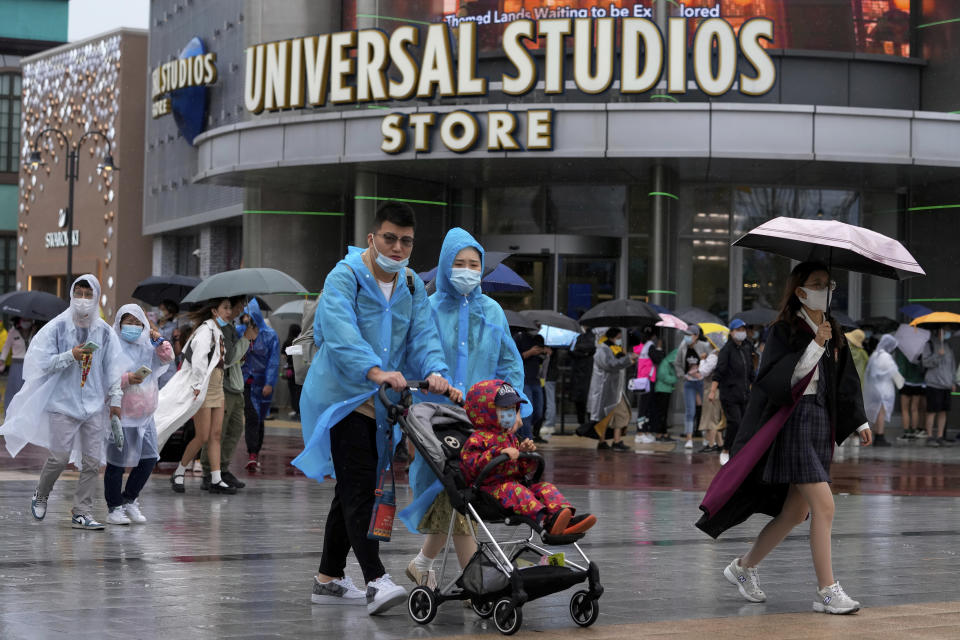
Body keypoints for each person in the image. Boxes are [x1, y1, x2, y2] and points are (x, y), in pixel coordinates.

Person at [292, 202, 455, 615]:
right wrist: (375, 370)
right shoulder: (345, 276)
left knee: (351, 487)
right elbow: (340, 331)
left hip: (382, 405)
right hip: (342, 398)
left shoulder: (413, 284)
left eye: (406, 241)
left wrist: (435, 370)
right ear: (372, 238)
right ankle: (376, 579)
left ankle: (328, 579)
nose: (397, 248)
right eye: (389, 238)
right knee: (361, 486)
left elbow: (423, 335)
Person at [696, 261, 872, 616]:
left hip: (820, 421)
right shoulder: (784, 331)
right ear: (800, 291)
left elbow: (844, 380)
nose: (826, 289)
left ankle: (743, 568)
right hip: (794, 422)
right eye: (817, 283)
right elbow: (777, 381)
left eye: (829, 283)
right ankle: (826, 592)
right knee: (824, 506)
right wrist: (814, 346)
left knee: (796, 511)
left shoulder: (831, 328)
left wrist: (859, 419)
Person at [400, 228, 530, 590]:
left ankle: (432, 566)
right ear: (445, 265)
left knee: (460, 494)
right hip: (434, 420)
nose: (467, 270)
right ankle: (477, 584)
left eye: (474, 264)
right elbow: (415, 356)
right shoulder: (426, 308)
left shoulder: (492, 311)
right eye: (459, 263)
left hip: (480, 423)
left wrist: (510, 410)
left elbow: (509, 366)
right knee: (453, 492)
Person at [0, 275, 127, 530]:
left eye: (87, 294)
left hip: (92, 405)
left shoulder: (103, 331)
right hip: (62, 403)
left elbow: (113, 368)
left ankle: (82, 511)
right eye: (78, 293)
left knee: (92, 462)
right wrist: (70, 355)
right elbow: (39, 363)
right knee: (59, 458)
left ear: (96, 297)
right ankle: (41, 493)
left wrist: (115, 400)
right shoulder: (57, 327)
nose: (82, 299)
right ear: (71, 295)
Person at [461, 379, 597, 535]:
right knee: (517, 490)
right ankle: (545, 521)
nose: (511, 413)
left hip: (514, 485)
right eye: (505, 408)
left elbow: (521, 470)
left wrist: (525, 456)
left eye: (513, 408)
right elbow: (470, 467)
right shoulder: (476, 439)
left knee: (545, 487)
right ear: (486, 412)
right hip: (490, 491)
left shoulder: (510, 437)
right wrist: (498, 452)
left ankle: (563, 518)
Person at [103, 305, 175, 525]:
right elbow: (104, 377)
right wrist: (126, 379)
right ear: (119, 322)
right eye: (128, 321)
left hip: (145, 415)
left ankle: (129, 499)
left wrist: (160, 341)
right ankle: (114, 507)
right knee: (116, 462)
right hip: (120, 413)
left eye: (137, 322)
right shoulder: (112, 346)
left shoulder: (147, 345)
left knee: (149, 458)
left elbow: (167, 358)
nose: (133, 327)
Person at [156, 298, 233, 494]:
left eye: (230, 308)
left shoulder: (217, 331)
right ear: (214, 311)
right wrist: (199, 384)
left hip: (217, 384)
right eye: (226, 308)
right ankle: (180, 471)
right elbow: (198, 361)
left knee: (216, 434)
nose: (229, 312)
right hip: (204, 386)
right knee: (203, 435)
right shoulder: (205, 331)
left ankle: (216, 478)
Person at [199, 296, 257, 490]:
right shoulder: (220, 328)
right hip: (223, 387)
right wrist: (246, 339)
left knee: (234, 430)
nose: (240, 309)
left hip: (235, 386)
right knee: (218, 432)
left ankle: (222, 468)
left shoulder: (231, 327)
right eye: (235, 306)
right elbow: (229, 357)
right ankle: (210, 472)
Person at [242, 298, 279, 471]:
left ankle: (255, 452)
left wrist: (270, 382)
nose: (245, 319)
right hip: (244, 383)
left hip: (263, 384)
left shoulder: (270, 335)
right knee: (252, 417)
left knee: (259, 419)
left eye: (248, 315)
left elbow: (273, 361)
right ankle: (252, 454)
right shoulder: (240, 332)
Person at [712, 318, 755, 465]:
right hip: (729, 394)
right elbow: (719, 372)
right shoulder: (726, 350)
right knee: (735, 423)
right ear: (731, 333)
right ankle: (725, 450)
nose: (741, 333)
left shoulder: (747, 347)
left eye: (743, 330)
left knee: (744, 425)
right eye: (738, 330)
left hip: (744, 394)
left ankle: (737, 453)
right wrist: (712, 391)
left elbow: (750, 371)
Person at [587, 327, 638, 451]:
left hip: (615, 390)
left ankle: (615, 440)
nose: (620, 341)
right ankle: (605, 441)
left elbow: (617, 363)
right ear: (612, 337)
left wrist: (626, 357)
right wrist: (627, 359)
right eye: (619, 338)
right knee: (605, 416)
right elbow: (611, 365)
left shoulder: (613, 349)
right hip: (605, 390)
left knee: (620, 414)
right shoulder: (603, 350)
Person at [863, 334, 904, 448]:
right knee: (881, 413)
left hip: (874, 389)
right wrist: (900, 382)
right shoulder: (886, 357)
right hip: (884, 390)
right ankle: (880, 436)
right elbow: (894, 373)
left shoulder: (875, 355)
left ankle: (877, 435)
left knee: (877, 413)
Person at [921, 326, 956, 447]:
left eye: (948, 331)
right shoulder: (929, 344)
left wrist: (953, 382)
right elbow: (925, 362)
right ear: (938, 331)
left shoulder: (948, 345)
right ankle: (930, 436)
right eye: (945, 331)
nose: (947, 333)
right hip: (934, 383)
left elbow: (952, 365)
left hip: (946, 384)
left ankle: (940, 436)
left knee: (943, 412)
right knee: (931, 411)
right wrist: (938, 356)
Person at [514, 329, 548, 441]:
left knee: (539, 411)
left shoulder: (539, 338)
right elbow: (514, 358)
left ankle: (520, 431)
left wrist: (545, 353)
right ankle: (527, 438)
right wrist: (530, 353)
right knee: (527, 411)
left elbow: (542, 361)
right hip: (523, 380)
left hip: (537, 380)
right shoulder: (519, 338)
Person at [675, 326, 704, 450]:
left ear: (696, 336)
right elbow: (677, 364)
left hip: (702, 382)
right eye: (686, 334)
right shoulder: (683, 347)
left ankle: (708, 438)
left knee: (706, 409)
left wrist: (702, 369)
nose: (687, 337)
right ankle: (689, 439)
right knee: (690, 411)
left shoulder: (704, 346)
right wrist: (684, 375)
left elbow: (713, 361)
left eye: (690, 334)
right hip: (689, 383)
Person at [0, 316, 37, 411]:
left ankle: (27, 412)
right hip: (17, 365)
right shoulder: (13, 332)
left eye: (28, 319)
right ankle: (11, 413)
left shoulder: (34, 331)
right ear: (19, 320)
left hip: (31, 365)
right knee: (15, 391)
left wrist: (33, 332)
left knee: (29, 391)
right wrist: (2, 360)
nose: (26, 322)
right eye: (24, 320)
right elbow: (6, 347)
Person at [697, 338, 724, 453]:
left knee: (711, 417)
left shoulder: (714, 356)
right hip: (717, 389)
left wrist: (702, 360)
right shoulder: (720, 354)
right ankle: (720, 443)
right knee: (715, 417)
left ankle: (711, 444)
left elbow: (703, 372)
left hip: (711, 389)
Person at [894, 345, 925, 440]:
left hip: (906, 382)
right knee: (914, 408)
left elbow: (901, 367)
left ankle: (907, 431)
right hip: (919, 382)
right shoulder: (921, 349)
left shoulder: (904, 350)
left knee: (905, 409)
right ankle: (914, 430)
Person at [652, 341, 679, 442]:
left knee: (663, 413)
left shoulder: (669, 364)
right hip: (662, 391)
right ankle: (660, 434)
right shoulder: (665, 363)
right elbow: (663, 376)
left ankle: (663, 433)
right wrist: (675, 379)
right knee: (661, 413)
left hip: (665, 390)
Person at [570, 328, 596, 425]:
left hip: (587, 373)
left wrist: (579, 350)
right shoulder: (576, 336)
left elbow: (591, 348)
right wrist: (582, 352)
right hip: (579, 373)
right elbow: (571, 350)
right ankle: (582, 422)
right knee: (580, 399)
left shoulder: (590, 335)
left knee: (587, 399)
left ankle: (588, 422)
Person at [156, 299, 180, 389]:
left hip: (168, 366)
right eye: (159, 309)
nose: (159, 312)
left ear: (170, 314)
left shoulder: (173, 327)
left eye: (163, 310)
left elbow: (161, 338)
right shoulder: (155, 324)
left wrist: (152, 326)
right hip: (154, 364)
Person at [282, 323, 302, 419]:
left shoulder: (287, 342)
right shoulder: (300, 342)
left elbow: (283, 356)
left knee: (292, 390)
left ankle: (295, 410)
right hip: (300, 370)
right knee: (299, 390)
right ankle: (300, 410)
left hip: (290, 370)